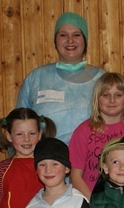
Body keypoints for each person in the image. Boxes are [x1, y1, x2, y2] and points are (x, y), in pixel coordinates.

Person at [17, 12, 106, 144]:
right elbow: (18, 125)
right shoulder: (36, 78)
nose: (70, 40)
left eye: (76, 35)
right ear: (55, 41)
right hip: (45, 156)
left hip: (92, 156)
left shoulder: (102, 79)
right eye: (63, 35)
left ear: (85, 40)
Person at [69, 71, 124, 198]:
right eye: (106, 95)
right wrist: (93, 203)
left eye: (118, 95)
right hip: (90, 200)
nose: (112, 100)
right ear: (97, 99)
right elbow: (75, 176)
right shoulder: (83, 131)